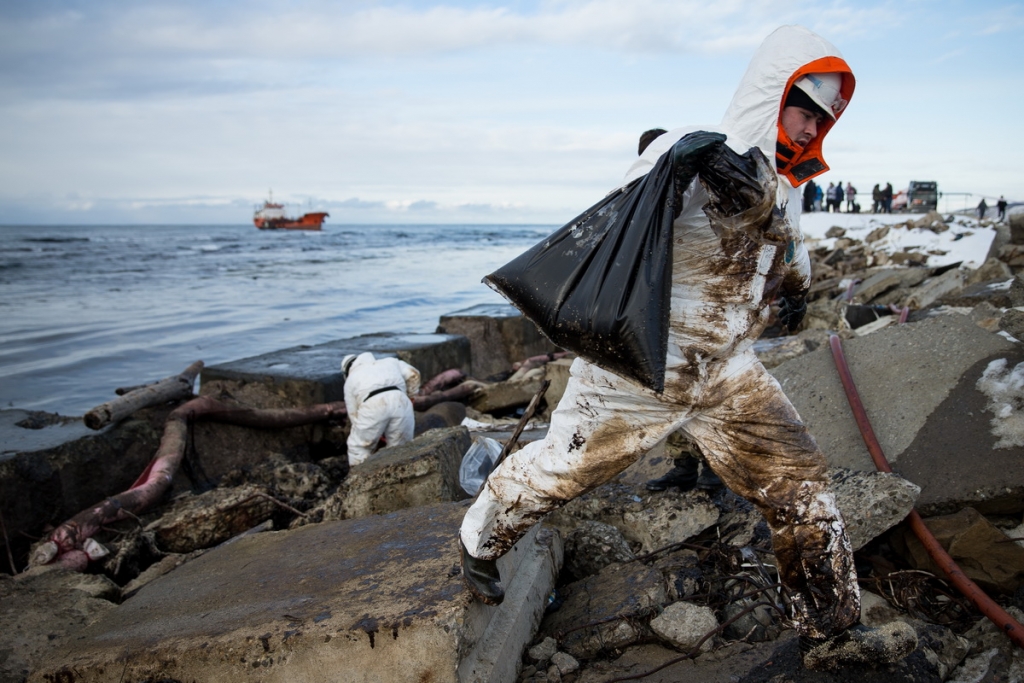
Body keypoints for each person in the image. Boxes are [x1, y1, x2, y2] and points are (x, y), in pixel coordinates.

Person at [459, 24, 916, 671]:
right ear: (773, 91)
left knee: (801, 483)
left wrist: (792, 287)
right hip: (638, 368)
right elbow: (631, 209)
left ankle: (831, 625)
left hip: (728, 374)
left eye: (824, 118)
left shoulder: (786, 189)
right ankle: (479, 538)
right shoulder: (694, 150)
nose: (812, 129)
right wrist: (678, 168)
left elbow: (792, 268)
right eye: (803, 108)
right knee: (561, 470)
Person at [341, 352, 421, 465]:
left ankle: (359, 479)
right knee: (401, 448)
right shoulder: (390, 361)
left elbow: (354, 415)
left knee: (358, 448)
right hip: (401, 400)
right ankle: (402, 477)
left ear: (347, 370)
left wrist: (370, 433)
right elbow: (414, 374)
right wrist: (411, 397)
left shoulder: (350, 380)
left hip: (372, 404)